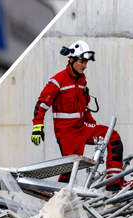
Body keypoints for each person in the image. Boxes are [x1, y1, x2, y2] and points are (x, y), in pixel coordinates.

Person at [31, 40, 125, 190]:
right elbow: (41, 105)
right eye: (81, 62)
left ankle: (113, 185)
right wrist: (37, 126)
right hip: (66, 133)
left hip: (82, 128)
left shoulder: (82, 81)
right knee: (69, 171)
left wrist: (93, 125)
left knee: (112, 137)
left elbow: (84, 108)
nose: (84, 66)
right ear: (71, 60)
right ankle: (55, 199)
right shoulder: (58, 80)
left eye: (86, 62)